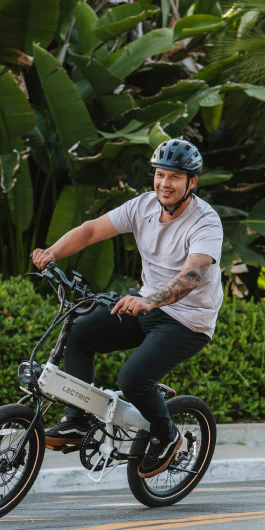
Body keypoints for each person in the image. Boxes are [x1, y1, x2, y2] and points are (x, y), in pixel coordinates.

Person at [31, 139, 223, 478]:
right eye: (160, 175)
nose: (165, 183)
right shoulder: (143, 206)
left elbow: (192, 275)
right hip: (149, 305)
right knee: (79, 334)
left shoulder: (205, 221)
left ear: (191, 182)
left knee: (133, 378)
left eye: (175, 177)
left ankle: (168, 437)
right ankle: (76, 421)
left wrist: (149, 300)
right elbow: (91, 230)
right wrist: (52, 252)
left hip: (187, 321)